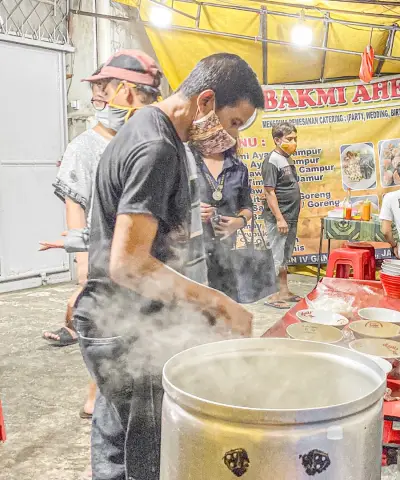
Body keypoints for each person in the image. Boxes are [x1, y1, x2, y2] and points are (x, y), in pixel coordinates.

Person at [74, 52, 263, 480]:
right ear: (206, 100)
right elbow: (127, 264)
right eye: (233, 122)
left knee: (116, 438)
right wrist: (218, 303)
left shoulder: (151, 129)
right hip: (123, 325)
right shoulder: (156, 145)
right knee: (145, 453)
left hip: (113, 316)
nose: (230, 138)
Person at [41, 52, 163, 423]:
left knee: (137, 332)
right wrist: (83, 270)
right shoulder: (84, 147)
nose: (103, 102)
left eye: (104, 94)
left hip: (142, 257)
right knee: (107, 330)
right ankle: (97, 397)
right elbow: (75, 205)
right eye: (98, 97)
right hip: (104, 258)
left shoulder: (143, 141)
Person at [192, 140, 253, 301]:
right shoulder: (186, 163)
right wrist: (190, 210)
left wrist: (238, 222)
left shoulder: (238, 168)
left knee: (226, 305)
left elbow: (247, 206)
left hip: (226, 254)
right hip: (191, 253)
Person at [261, 122, 302, 309]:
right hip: (280, 218)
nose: (294, 142)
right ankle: (274, 296)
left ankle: (284, 291)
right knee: (276, 257)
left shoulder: (287, 158)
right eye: (289, 139)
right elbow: (269, 192)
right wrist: (279, 218)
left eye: (295, 139)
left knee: (285, 256)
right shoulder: (272, 161)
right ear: (277, 140)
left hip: (291, 216)